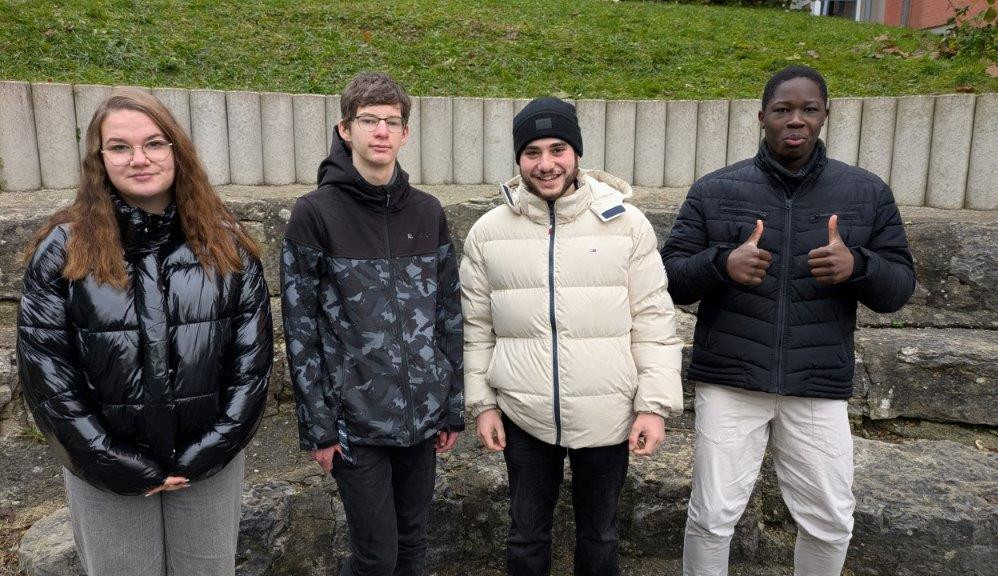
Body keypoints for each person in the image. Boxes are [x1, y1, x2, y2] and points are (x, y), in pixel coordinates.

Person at [660, 65, 916, 576]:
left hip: (816, 384)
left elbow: (899, 288)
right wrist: (722, 263)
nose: (795, 120)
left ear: (825, 115)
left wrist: (858, 266)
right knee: (711, 518)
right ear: (762, 117)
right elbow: (668, 277)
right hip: (732, 380)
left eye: (808, 109)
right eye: (782, 109)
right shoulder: (715, 189)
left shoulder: (866, 192)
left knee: (830, 522)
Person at [17, 89, 272, 576]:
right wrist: (108, 459)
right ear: (100, 158)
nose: (139, 159)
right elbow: (47, 374)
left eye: (154, 143)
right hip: (105, 470)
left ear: (177, 149)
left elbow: (252, 365)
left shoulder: (226, 245)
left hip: (207, 467)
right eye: (120, 147)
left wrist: (209, 449)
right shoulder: (63, 249)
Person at [460, 96, 684, 576]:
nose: (546, 164)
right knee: (525, 539)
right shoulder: (487, 233)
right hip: (523, 414)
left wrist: (653, 406)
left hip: (609, 413)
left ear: (577, 152)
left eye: (557, 149)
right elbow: (476, 329)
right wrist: (483, 405)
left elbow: (653, 321)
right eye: (532, 152)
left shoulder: (627, 224)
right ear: (519, 159)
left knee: (600, 537)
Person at [280, 72, 463, 576]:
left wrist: (451, 407)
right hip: (354, 424)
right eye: (368, 120)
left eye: (392, 121)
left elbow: (447, 313)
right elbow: (300, 328)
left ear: (405, 133)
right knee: (376, 558)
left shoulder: (427, 212)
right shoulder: (314, 214)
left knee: (413, 547)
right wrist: (318, 427)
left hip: (421, 421)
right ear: (345, 129)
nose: (381, 131)